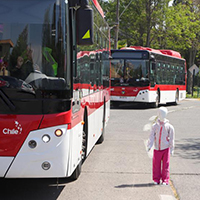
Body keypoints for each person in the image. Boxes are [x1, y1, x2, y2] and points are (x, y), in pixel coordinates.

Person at [147, 107, 175, 185]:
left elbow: (172, 138)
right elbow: (151, 136)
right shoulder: (155, 126)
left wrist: (172, 148)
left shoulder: (169, 127)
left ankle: (165, 180)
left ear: (166, 114)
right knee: (156, 165)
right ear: (158, 114)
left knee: (166, 165)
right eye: (160, 113)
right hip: (157, 148)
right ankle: (156, 179)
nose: (162, 115)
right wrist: (150, 145)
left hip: (166, 148)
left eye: (164, 113)